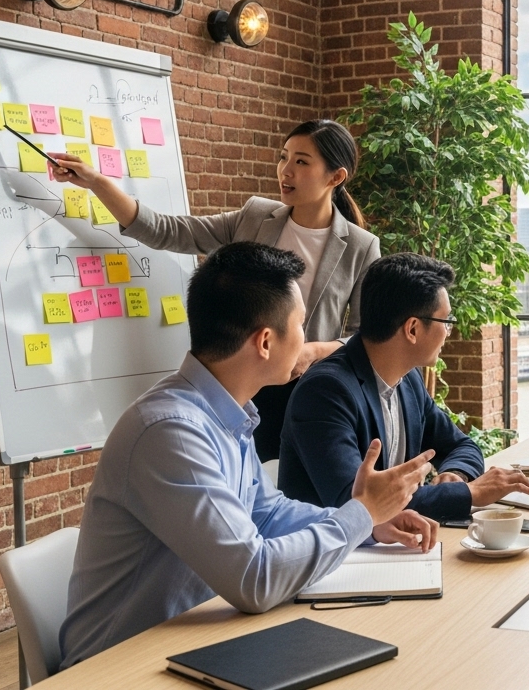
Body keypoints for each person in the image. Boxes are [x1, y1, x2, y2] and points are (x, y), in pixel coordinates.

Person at [59, 242, 438, 668]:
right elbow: (254, 579)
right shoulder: (172, 432)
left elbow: (267, 514)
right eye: (300, 325)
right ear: (264, 342)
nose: (307, 340)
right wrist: (360, 514)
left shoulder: (227, 414)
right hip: (120, 669)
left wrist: (372, 525)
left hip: (198, 644)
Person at [49, 119, 381, 462]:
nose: (286, 171)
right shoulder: (256, 216)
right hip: (235, 385)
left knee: (283, 494)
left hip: (303, 392)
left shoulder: (360, 246)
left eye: (301, 161)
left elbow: (367, 336)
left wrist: (313, 351)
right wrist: (98, 183)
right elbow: (168, 230)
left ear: (335, 177)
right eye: (284, 158)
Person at [279, 253, 529, 519]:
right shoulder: (325, 391)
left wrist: (455, 475)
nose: (450, 332)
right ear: (412, 329)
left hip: (395, 544)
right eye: (446, 322)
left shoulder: (408, 378)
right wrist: (470, 493)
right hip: (336, 553)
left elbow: (461, 446)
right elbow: (358, 502)